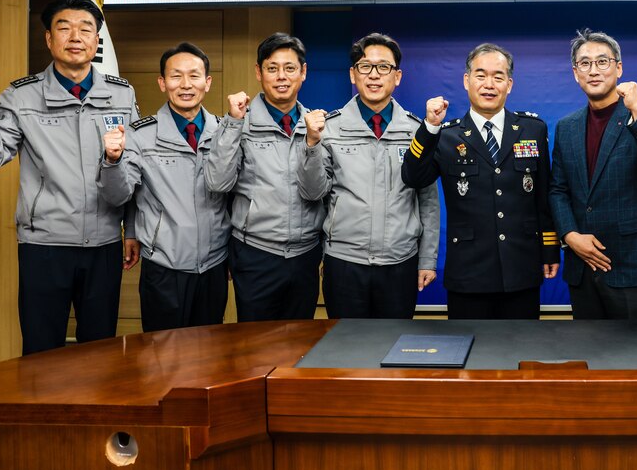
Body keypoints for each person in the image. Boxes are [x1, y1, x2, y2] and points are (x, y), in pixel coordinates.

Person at [0, 0, 140, 354]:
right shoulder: (21, 96)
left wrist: (133, 229)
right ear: (49, 38)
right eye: (64, 28)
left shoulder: (121, 95)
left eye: (85, 29)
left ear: (97, 39)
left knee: (100, 351)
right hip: (44, 245)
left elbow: (134, 169)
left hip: (103, 243)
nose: (75, 37)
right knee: (41, 351)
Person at [401, 43, 559, 319]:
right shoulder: (446, 135)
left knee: (522, 343)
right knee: (469, 346)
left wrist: (550, 249)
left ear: (509, 84)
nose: (489, 84)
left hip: (521, 268)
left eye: (498, 77)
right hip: (468, 272)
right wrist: (429, 128)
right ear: (466, 81)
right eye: (481, 75)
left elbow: (543, 195)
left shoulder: (532, 129)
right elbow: (413, 177)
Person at [99, 42, 230, 331]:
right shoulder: (140, 135)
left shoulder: (226, 133)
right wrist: (111, 160)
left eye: (194, 75)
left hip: (214, 265)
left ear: (207, 82)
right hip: (163, 267)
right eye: (176, 76)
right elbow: (119, 195)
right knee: (162, 352)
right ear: (162, 83)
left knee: (212, 352)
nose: (186, 85)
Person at [204, 32, 331, 321]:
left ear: (303, 72)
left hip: (305, 254)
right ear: (259, 72)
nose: (281, 76)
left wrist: (312, 142)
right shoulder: (238, 122)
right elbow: (217, 182)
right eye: (272, 68)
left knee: (301, 340)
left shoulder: (317, 125)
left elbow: (316, 192)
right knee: (255, 342)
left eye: (290, 68)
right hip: (255, 253)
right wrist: (233, 123)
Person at [550, 28, 637, 320]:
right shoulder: (567, 126)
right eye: (585, 63)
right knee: (588, 346)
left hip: (632, 265)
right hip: (582, 265)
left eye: (602, 62)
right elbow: (558, 189)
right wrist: (570, 235)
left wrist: (636, 110)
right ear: (575, 73)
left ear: (618, 68)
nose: (593, 70)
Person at [320, 33, 439, 319]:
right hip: (344, 261)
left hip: (400, 262)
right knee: (345, 343)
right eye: (365, 67)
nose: (374, 75)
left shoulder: (416, 131)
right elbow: (315, 197)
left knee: (395, 342)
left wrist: (427, 259)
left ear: (397, 77)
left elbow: (428, 201)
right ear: (353, 74)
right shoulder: (328, 129)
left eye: (384, 67)